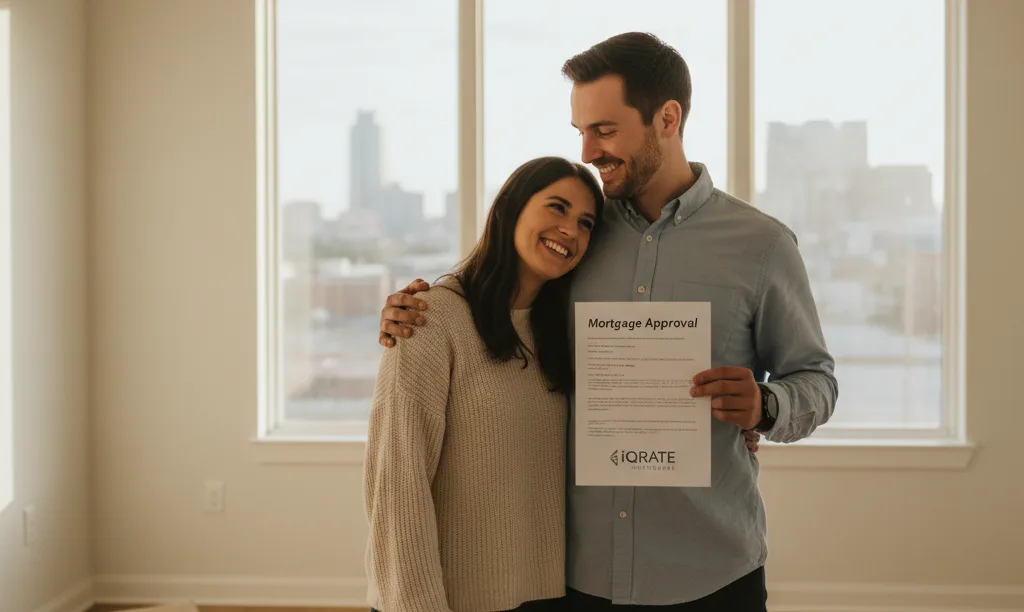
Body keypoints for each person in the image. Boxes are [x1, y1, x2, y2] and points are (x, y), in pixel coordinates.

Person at [376, 32, 838, 611]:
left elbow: (817, 380)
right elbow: (500, 305)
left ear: (666, 118)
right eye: (581, 132)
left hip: (712, 572)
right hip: (574, 578)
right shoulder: (575, 238)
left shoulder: (762, 245)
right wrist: (417, 309)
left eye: (606, 130)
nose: (590, 151)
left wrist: (765, 406)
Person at [363, 156, 607, 612]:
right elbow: (397, 482)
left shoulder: (563, 333)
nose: (570, 231)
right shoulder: (430, 319)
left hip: (544, 594)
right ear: (510, 208)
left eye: (586, 223)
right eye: (556, 208)